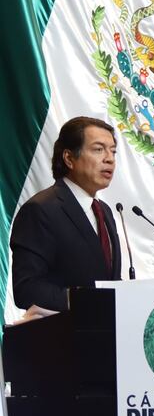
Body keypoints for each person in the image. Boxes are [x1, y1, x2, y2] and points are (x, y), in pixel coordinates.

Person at [10, 116, 121, 313]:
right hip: (62, 331)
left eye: (113, 151)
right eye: (98, 149)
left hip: (105, 330)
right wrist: (91, 301)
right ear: (69, 158)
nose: (109, 159)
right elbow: (26, 289)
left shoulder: (104, 211)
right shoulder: (40, 210)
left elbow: (106, 280)